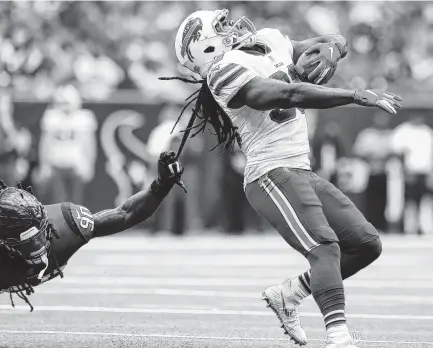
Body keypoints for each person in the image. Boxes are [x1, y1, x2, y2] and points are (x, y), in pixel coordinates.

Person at [165, 9, 402, 348]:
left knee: (366, 243)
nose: (231, 27)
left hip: (300, 169)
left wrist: (333, 48)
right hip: (269, 173)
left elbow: (333, 42)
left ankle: (290, 294)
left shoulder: (269, 40)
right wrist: (352, 94)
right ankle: (339, 338)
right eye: (220, 27)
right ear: (204, 47)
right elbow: (287, 94)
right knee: (325, 248)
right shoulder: (222, 72)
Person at [0, 151, 184, 310]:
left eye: (42, 232)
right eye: (30, 241)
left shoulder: (66, 225)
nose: (40, 243)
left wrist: (161, 185)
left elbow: (126, 213)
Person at [38, 85, 98, 205]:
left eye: (67, 102)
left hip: (76, 165)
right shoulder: (52, 116)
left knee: (76, 203)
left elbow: (89, 143)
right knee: (58, 202)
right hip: (56, 165)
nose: (64, 106)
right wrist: (44, 165)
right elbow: (45, 143)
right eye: (62, 102)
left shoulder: (84, 118)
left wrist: (89, 164)